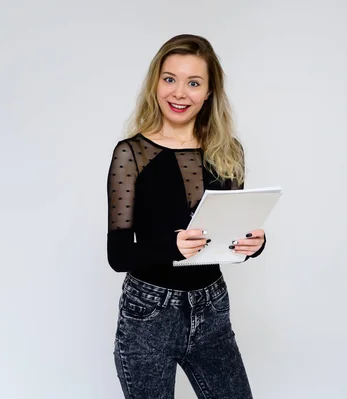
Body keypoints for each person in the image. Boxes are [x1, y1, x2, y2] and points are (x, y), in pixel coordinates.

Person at [106, 34, 267, 399]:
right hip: (148, 315)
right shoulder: (131, 154)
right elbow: (118, 256)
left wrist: (253, 244)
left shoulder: (228, 152)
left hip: (212, 309)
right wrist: (172, 247)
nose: (179, 93)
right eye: (169, 79)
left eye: (193, 83)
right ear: (155, 83)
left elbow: (228, 237)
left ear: (209, 92)